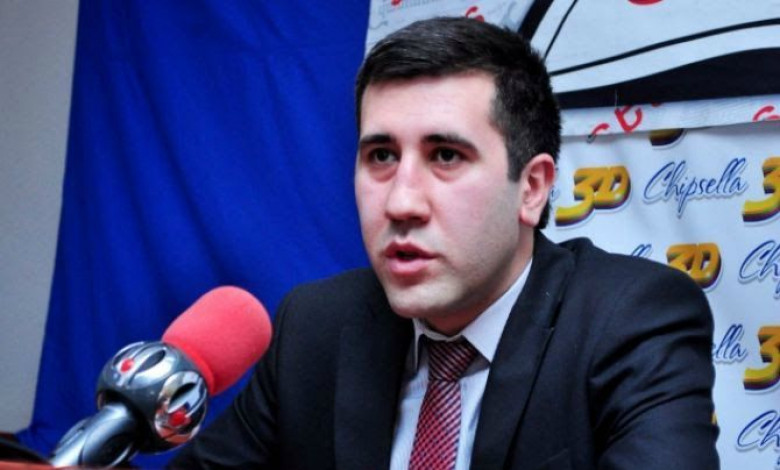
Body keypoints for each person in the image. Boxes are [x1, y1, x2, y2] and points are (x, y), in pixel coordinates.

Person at [170, 17, 718, 470]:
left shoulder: (630, 321)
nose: (401, 202)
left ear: (531, 188)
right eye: (382, 156)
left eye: (446, 156)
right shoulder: (315, 329)